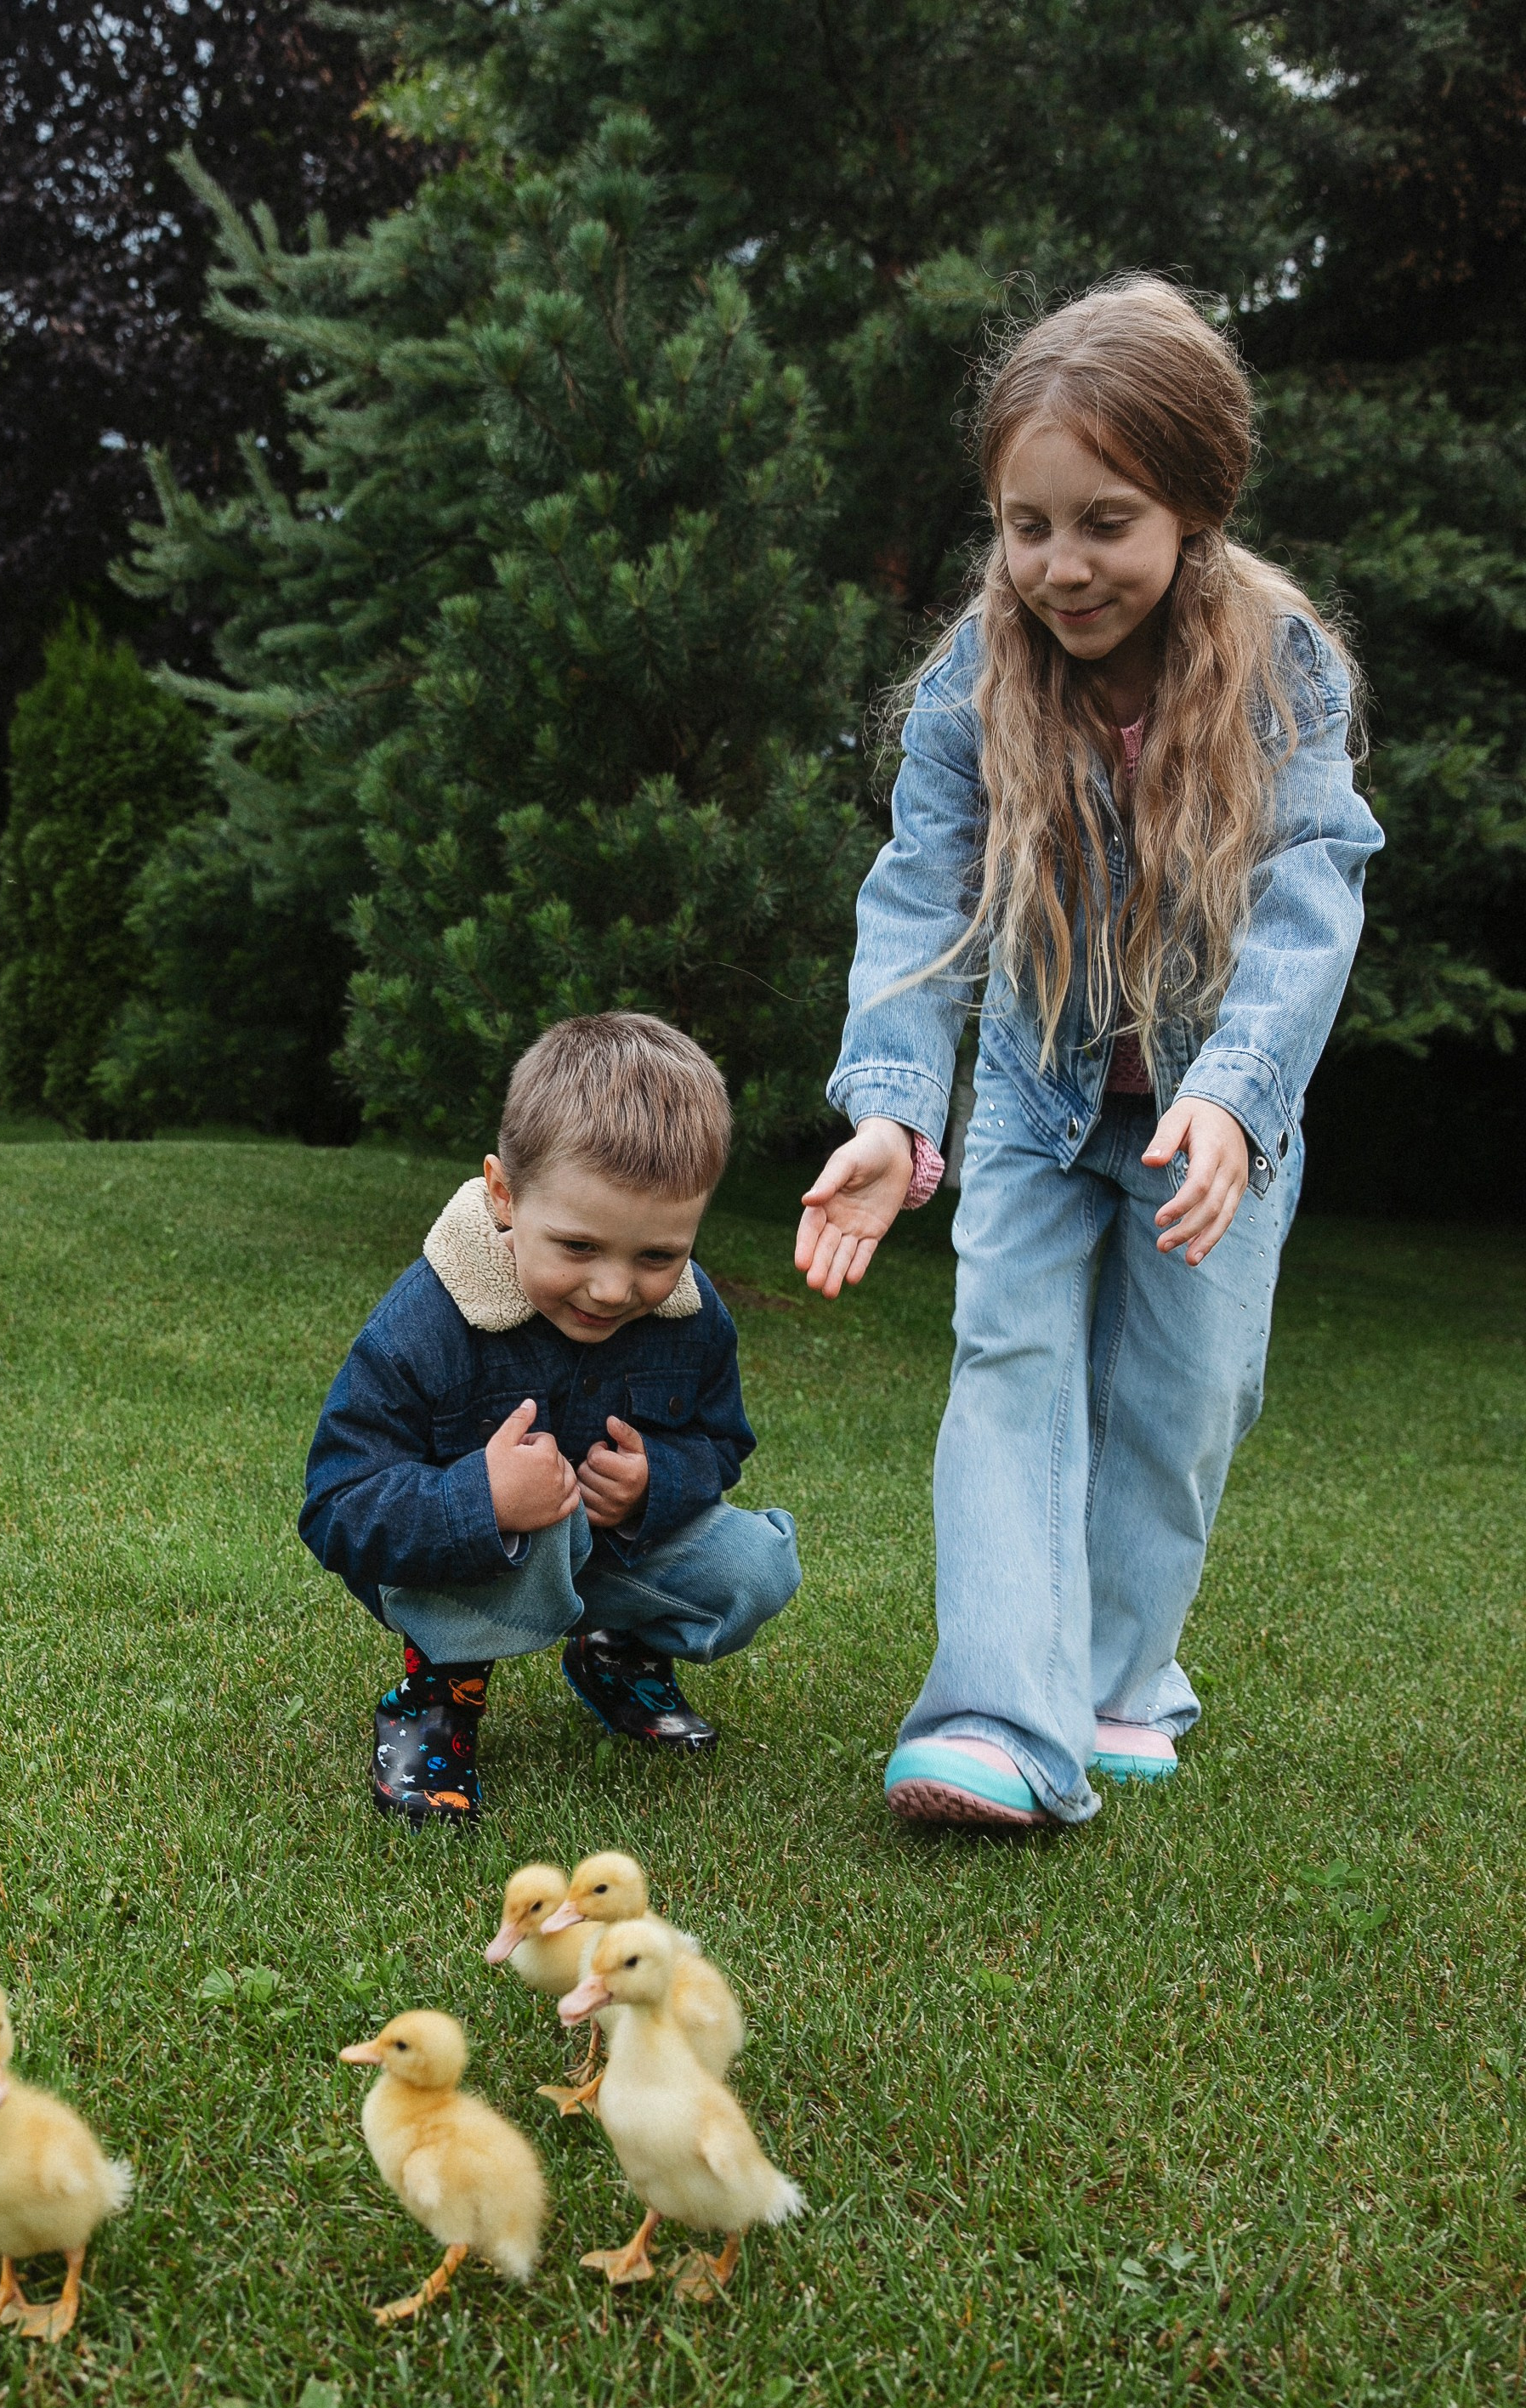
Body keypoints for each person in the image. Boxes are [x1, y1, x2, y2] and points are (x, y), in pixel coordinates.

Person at [797, 277, 1383, 1830]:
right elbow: (920, 904)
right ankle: (998, 1717)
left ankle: (1119, 1683)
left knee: (1186, 1406)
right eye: (1025, 524)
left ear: (1196, 503)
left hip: (1213, 1119)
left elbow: (1310, 894)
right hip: (1038, 1110)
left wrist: (1236, 1102)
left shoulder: (1281, 666)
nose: (1060, 566)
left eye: (1104, 521)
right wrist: (891, 1108)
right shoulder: (969, 690)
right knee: (1009, 1370)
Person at [303, 1012, 801, 1826]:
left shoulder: (693, 1314)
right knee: (538, 1524)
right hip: (460, 1561)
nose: (615, 1289)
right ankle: (435, 1698)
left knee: (756, 1568)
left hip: (606, 1548)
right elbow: (334, 1505)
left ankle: (615, 1651)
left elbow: (722, 1441)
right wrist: (482, 1499)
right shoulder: (427, 1321)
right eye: (577, 1247)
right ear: (504, 1195)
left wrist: (655, 1484)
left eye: (657, 1255)